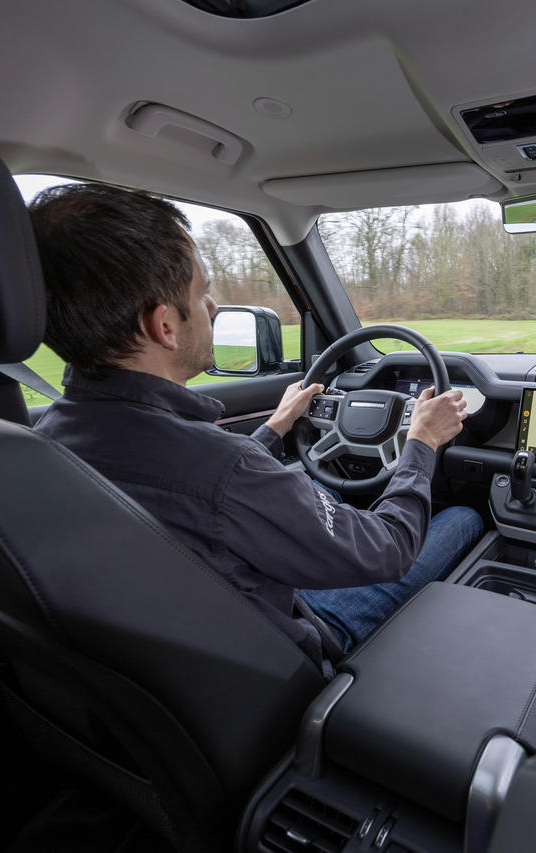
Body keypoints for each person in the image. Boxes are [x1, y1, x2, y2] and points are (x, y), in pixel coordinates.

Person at [27, 183, 484, 666]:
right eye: (203, 293)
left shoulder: (46, 440)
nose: (213, 308)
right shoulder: (224, 469)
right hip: (290, 646)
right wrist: (421, 441)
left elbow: (203, 492)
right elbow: (389, 550)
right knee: (464, 518)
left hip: (190, 652)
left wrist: (278, 425)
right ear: (163, 326)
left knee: (321, 494)